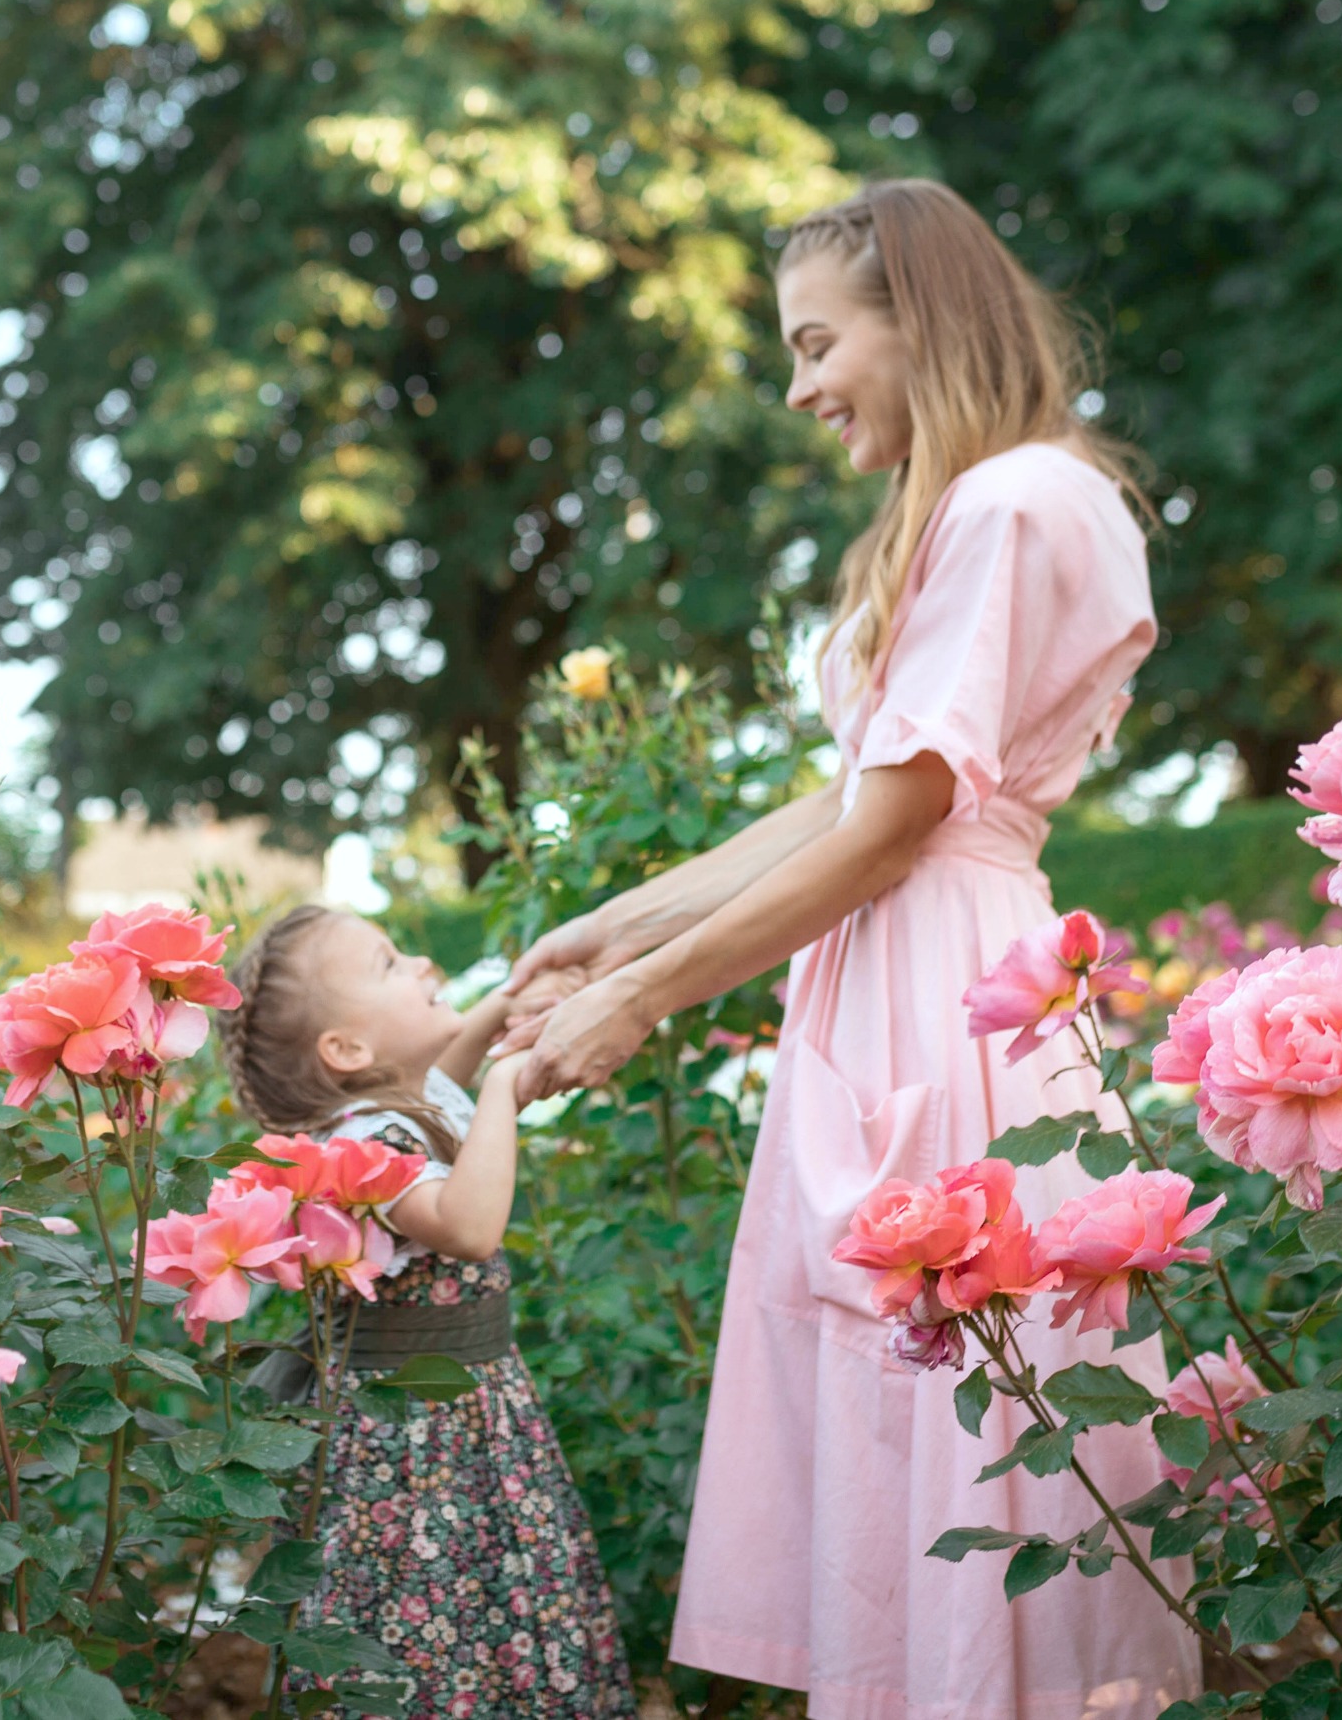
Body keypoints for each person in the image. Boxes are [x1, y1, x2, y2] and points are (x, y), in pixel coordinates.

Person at [507, 179, 1198, 1719]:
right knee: (919, 1393)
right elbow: (848, 800)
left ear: (920, 321)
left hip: (946, 979)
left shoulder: (1014, 501)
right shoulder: (977, 508)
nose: (800, 386)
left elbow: (892, 829)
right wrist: (607, 930)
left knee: (966, 1384)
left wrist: (637, 1003)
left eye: (819, 343)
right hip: (913, 966)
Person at [220, 904, 637, 1720]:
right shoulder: (363, 1150)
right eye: (386, 963)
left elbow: (444, 1067)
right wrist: (504, 1087)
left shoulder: (395, 1107)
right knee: (436, 1608)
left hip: (465, 1420)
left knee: (483, 1598)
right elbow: (469, 1225)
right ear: (346, 1052)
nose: (418, 960)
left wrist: (509, 1002)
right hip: (415, 1450)